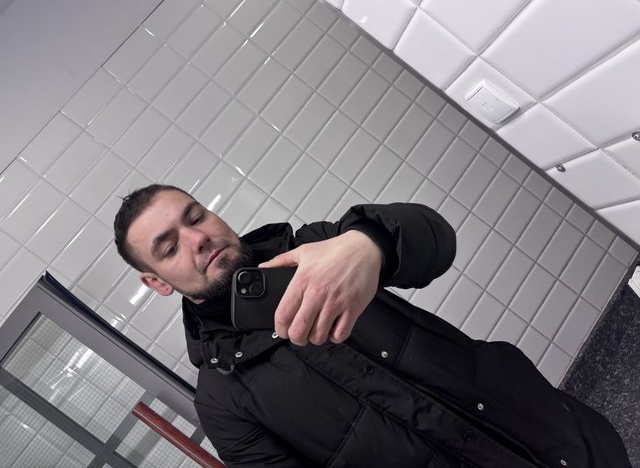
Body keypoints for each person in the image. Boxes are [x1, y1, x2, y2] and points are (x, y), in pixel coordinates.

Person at [114, 184, 631, 468]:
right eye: (169, 247)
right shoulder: (222, 401)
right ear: (157, 282)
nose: (197, 239)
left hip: (566, 439)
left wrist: (369, 243)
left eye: (196, 217)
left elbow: (436, 238)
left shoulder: (314, 246)